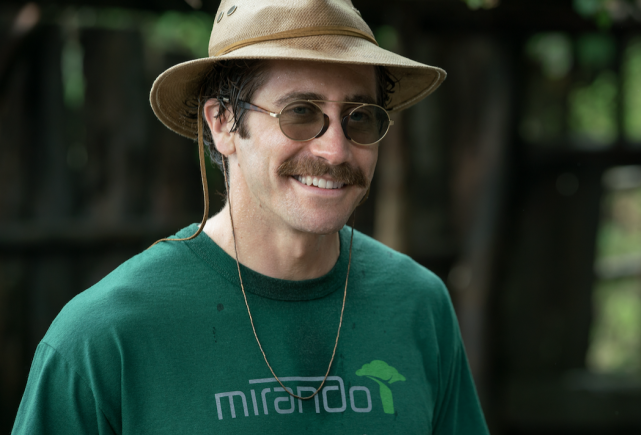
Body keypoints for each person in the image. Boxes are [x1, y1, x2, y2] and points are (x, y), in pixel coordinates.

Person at [13, 0, 489, 433]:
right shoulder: (105, 337)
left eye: (360, 116)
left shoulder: (418, 306)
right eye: (300, 112)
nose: (336, 150)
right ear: (221, 122)